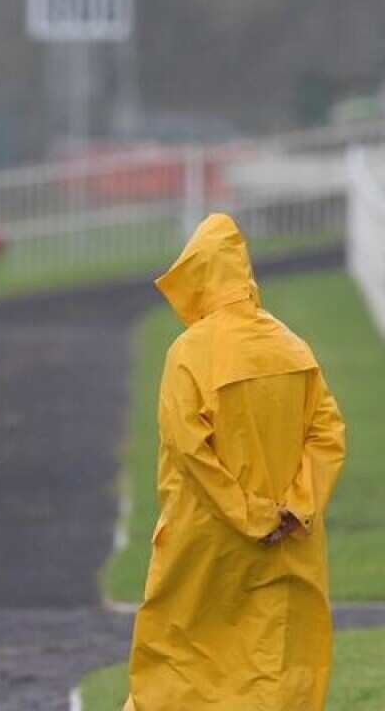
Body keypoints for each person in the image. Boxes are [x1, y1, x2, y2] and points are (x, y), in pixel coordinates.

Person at [123, 213, 347, 710]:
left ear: (199, 276)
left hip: (206, 548)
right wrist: (294, 508)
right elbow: (328, 433)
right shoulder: (293, 348)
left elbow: (189, 451)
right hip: (289, 545)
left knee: (181, 670)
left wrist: (249, 515)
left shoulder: (188, 354)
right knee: (275, 673)